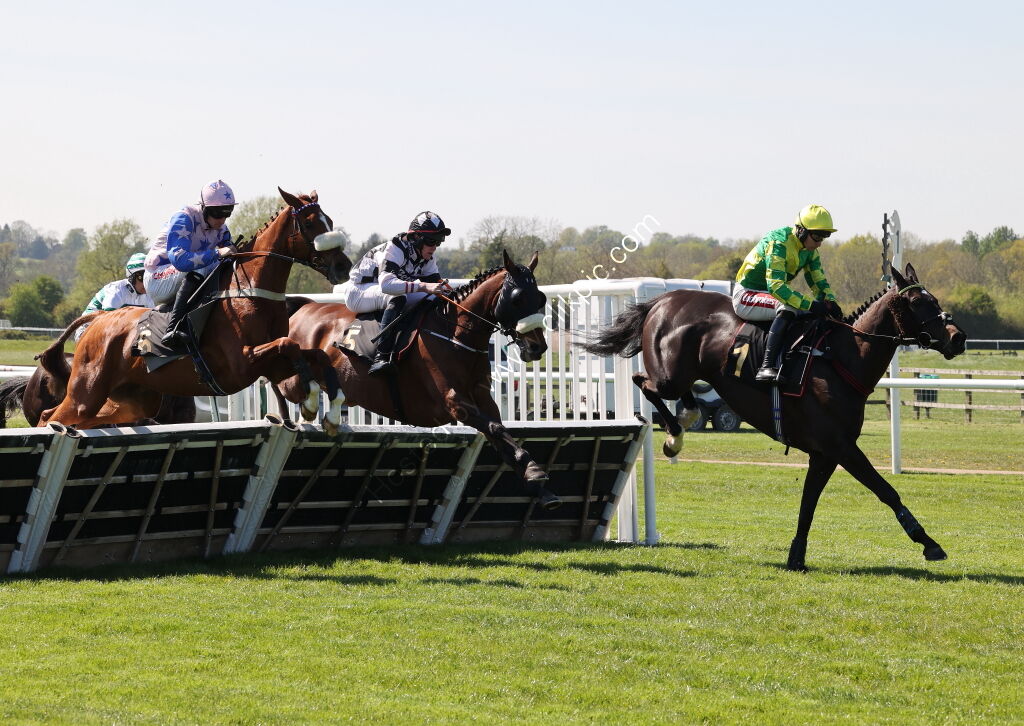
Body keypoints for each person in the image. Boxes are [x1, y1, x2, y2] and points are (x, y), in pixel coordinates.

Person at [733, 204, 843, 382]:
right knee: (788, 307)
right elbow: (776, 286)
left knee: (808, 312)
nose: (819, 243)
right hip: (747, 295)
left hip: (769, 296)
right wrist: (811, 304)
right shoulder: (778, 243)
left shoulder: (810, 252)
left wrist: (830, 301)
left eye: (824, 236)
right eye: (817, 236)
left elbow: (819, 282)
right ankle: (766, 367)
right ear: (801, 230)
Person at [340, 211, 451, 375]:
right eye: (431, 241)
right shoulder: (395, 248)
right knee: (398, 296)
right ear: (416, 238)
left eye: (439, 241)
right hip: (358, 291)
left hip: (380, 289)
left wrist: (453, 294)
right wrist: (423, 286)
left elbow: (438, 285)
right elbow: (387, 286)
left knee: (435, 298)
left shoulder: (427, 257)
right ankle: (381, 356)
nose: (434, 247)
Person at [143, 179, 238, 351]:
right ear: (204, 208)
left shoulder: (222, 229)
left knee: (223, 265)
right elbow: (180, 260)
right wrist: (218, 253)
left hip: (180, 277)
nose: (222, 219)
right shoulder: (184, 218)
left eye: (227, 213)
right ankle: (173, 328)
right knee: (206, 263)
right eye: (217, 213)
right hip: (157, 278)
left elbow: (231, 257)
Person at [73, 253, 154, 342]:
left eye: (149, 278)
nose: (146, 283)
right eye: (142, 277)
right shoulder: (116, 291)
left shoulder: (149, 295)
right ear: (132, 277)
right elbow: (108, 324)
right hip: (88, 328)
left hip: (116, 331)